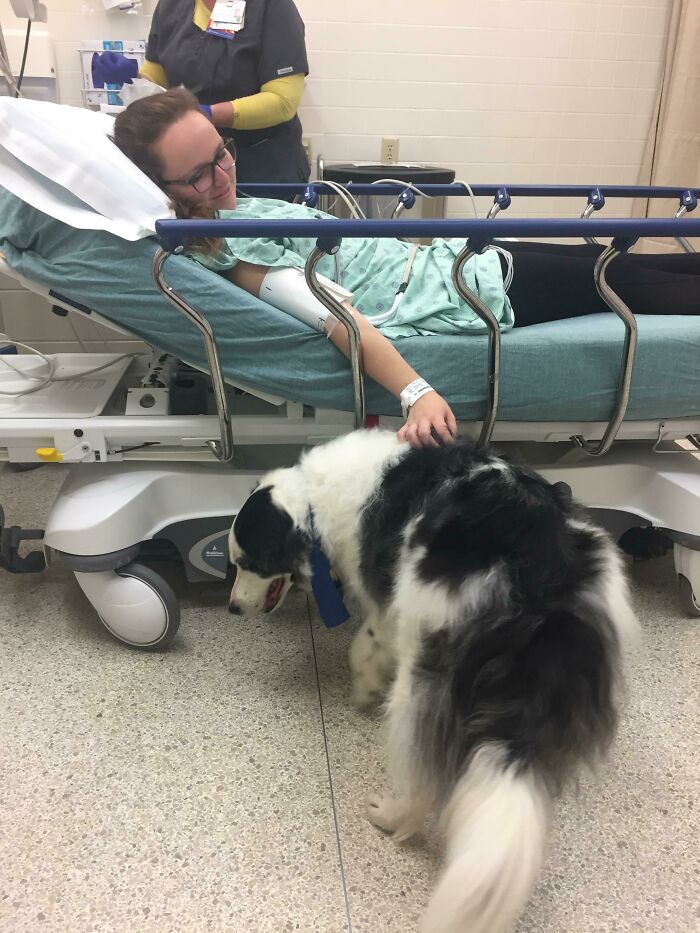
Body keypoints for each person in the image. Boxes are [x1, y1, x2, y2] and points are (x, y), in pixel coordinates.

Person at [93, 0, 310, 185]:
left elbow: (282, 101)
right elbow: (159, 81)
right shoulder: (171, 6)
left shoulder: (271, 7)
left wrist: (205, 114)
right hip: (191, 170)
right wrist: (133, 79)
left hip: (262, 170)